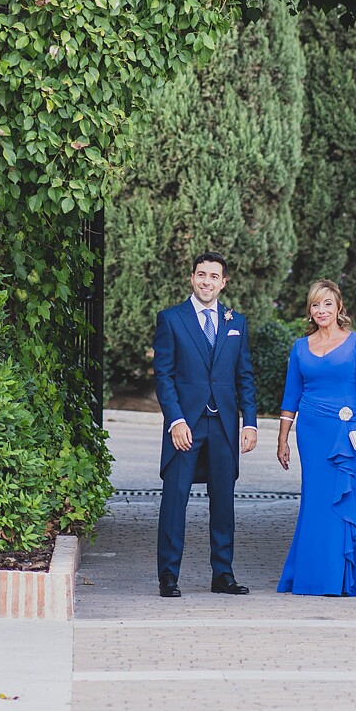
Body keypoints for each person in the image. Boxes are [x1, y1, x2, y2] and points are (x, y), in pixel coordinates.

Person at [275, 279, 356, 597]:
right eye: (316, 304)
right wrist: (282, 439)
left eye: (328, 304)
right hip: (312, 433)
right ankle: (316, 578)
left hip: (350, 433)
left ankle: (352, 578)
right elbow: (291, 397)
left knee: (351, 498)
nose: (322, 310)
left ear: (339, 307)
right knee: (316, 502)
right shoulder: (300, 347)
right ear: (310, 310)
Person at [153, 252, 259, 597]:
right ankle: (168, 575)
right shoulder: (171, 319)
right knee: (174, 499)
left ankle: (222, 575)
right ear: (191, 278)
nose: (207, 281)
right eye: (201, 275)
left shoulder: (236, 322)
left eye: (214, 277)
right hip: (186, 424)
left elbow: (245, 376)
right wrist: (176, 420)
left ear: (223, 282)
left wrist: (250, 422)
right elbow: (164, 376)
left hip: (225, 426)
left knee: (223, 503)